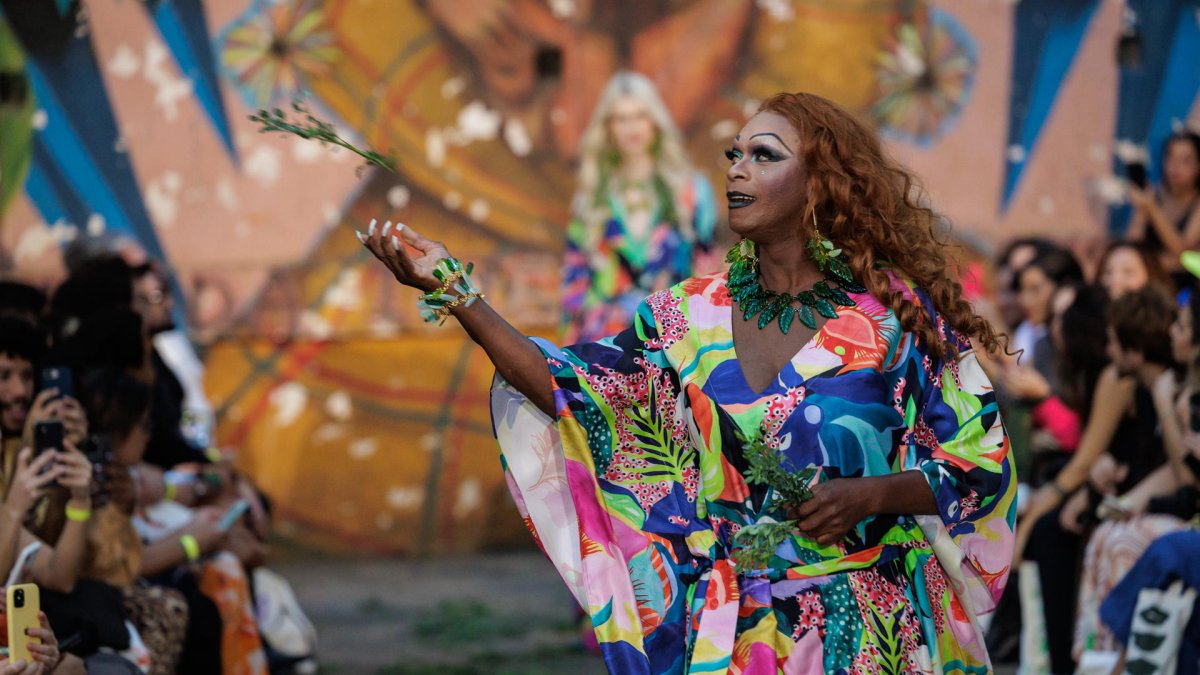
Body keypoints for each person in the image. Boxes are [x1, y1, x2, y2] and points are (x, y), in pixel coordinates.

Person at [357, 92, 1015, 672]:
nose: (736, 168)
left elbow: (982, 462)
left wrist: (873, 494)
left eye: (764, 155)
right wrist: (457, 293)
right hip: (738, 636)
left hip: (874, 632)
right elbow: (570, 390)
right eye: (735, 153)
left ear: (820, 182)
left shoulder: (896, 316)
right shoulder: (685, 316)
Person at [562, 71, 717, 344]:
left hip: (674, 344)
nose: (631, 127)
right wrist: (569, 356)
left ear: (655, 121)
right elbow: (574, 286)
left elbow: (707, 276)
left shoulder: (692, 192)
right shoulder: (590, 199)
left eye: (640, 116)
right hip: (604, 347)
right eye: (621, 119)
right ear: (608, 128)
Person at [1126, 131, 1200, 290]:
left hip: (1186, 286)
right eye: (1171, 158)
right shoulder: (1153, 195)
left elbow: (1183, 252)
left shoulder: (1196, 203)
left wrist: (1153, 209)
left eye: (1185, 160)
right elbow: (1133, 246)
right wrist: (1141, 210)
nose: (1175, 166)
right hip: (1147, 281)